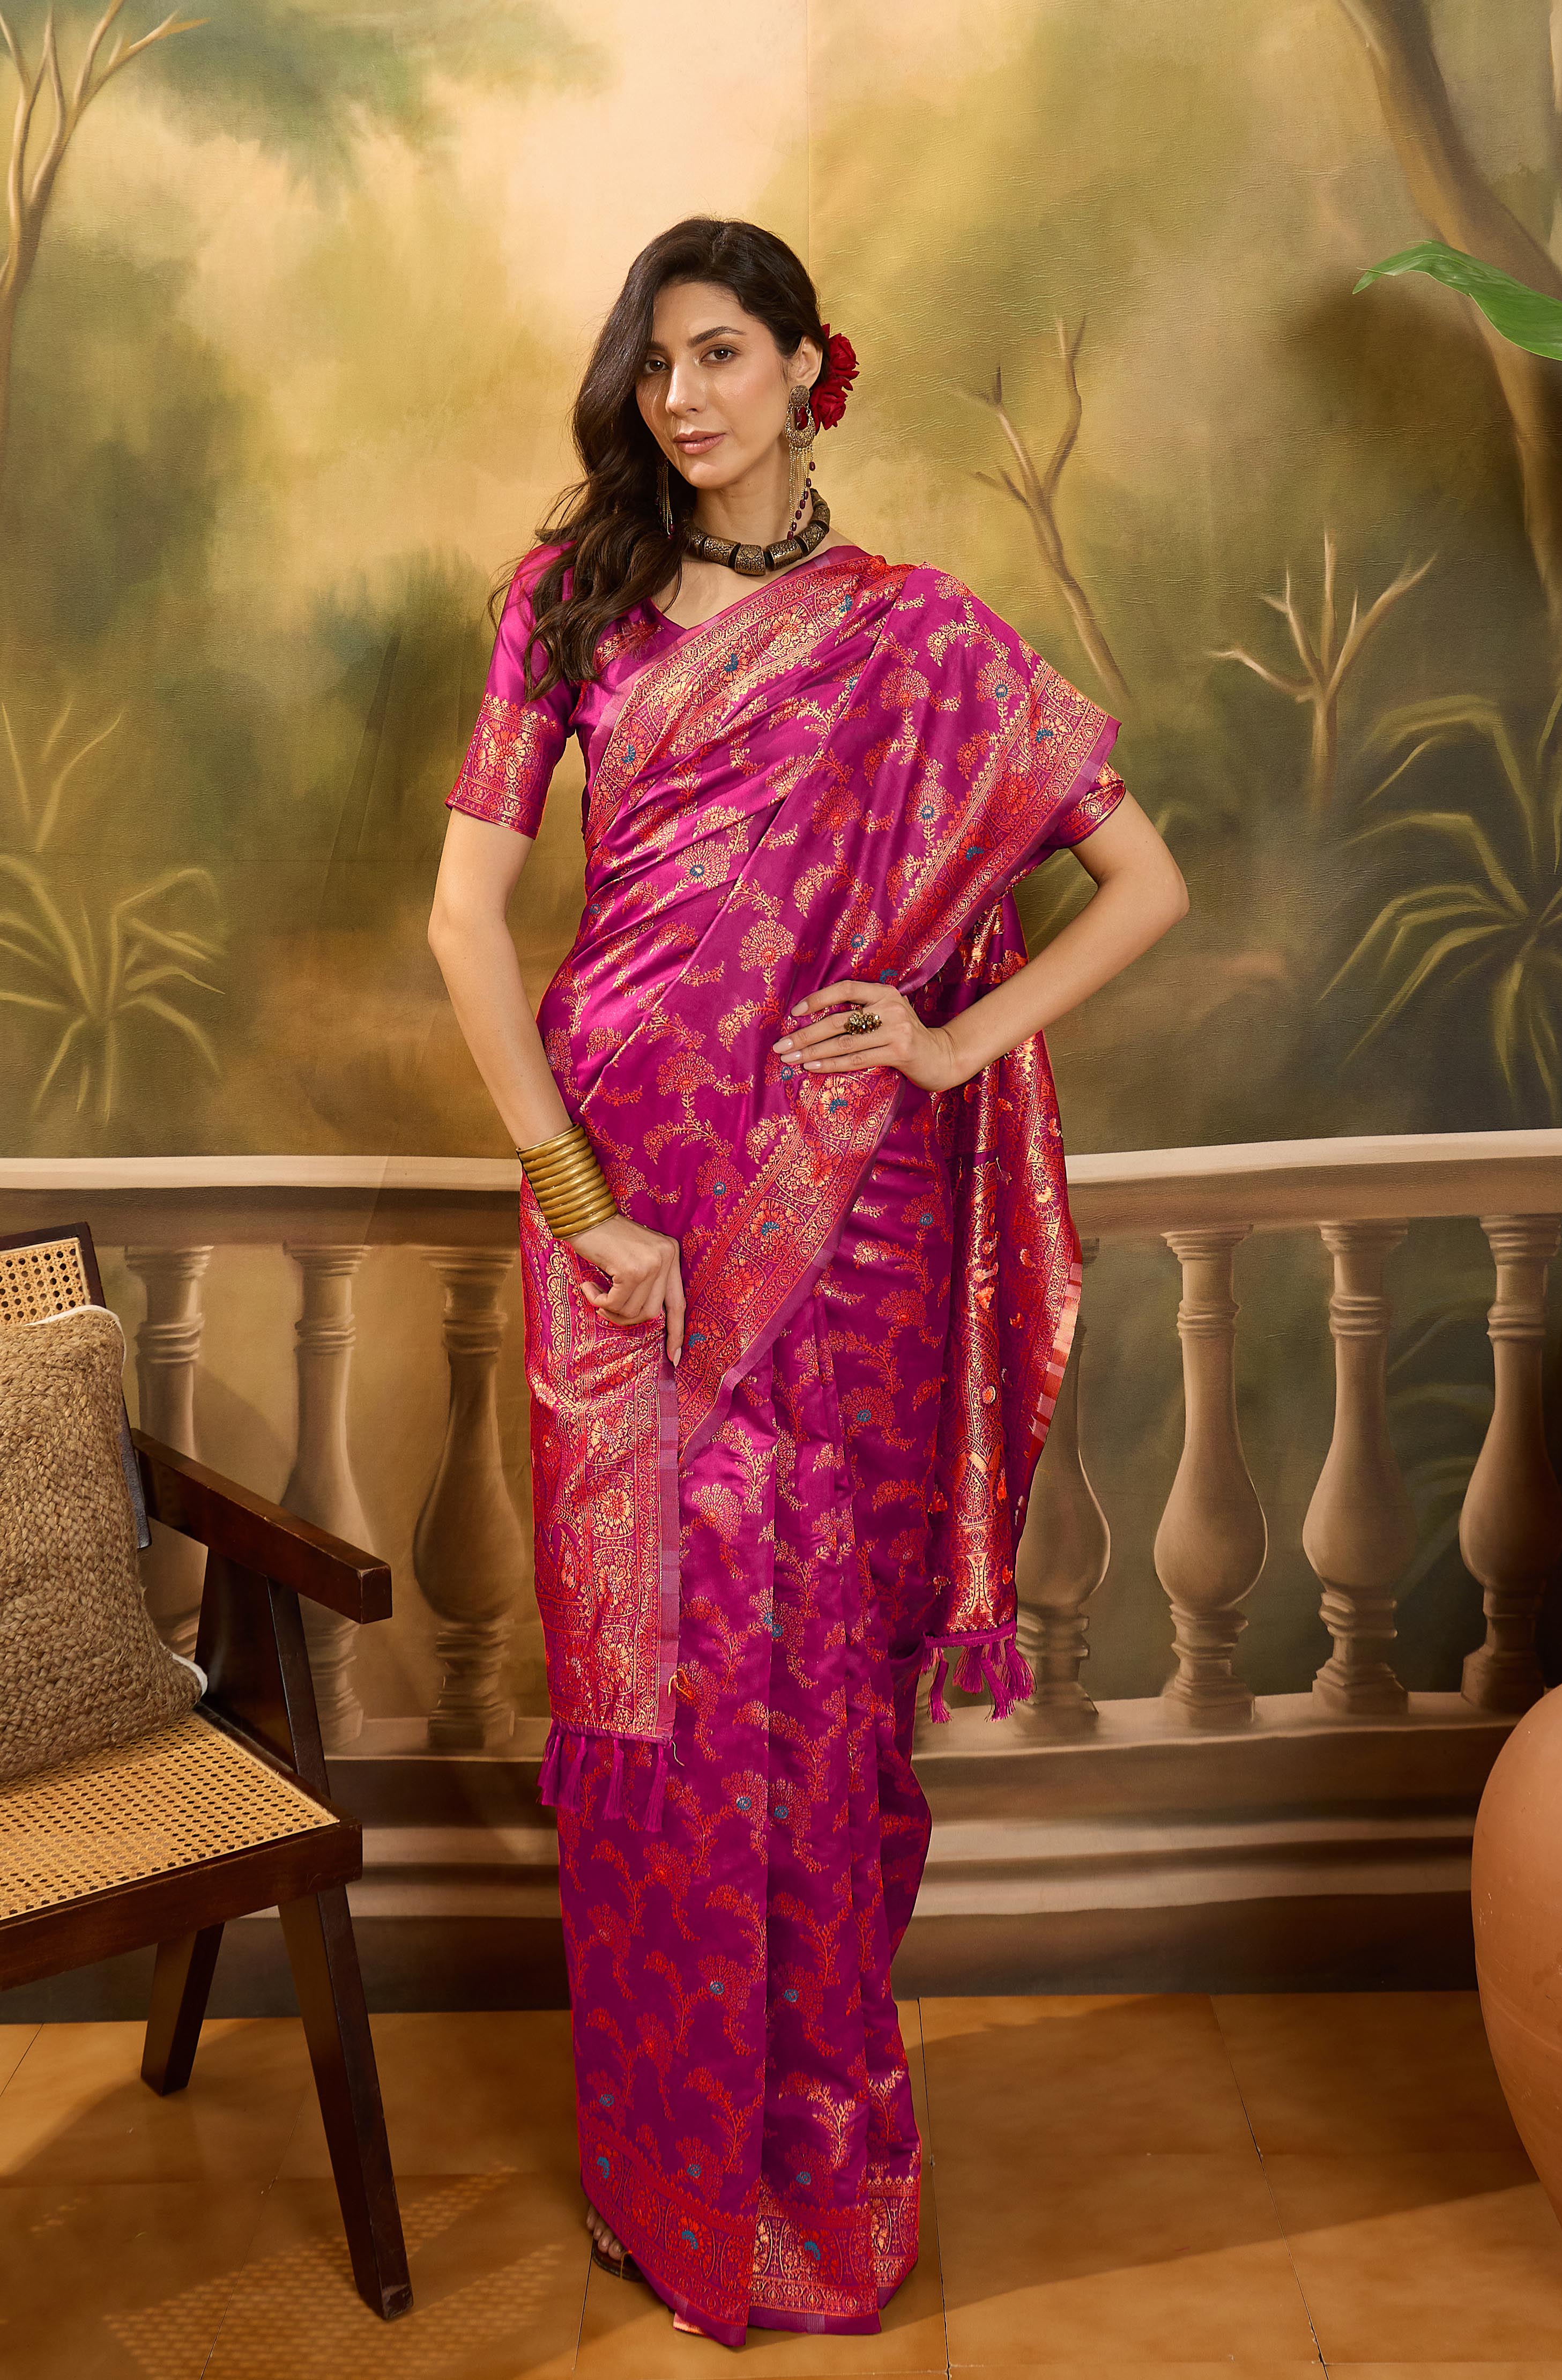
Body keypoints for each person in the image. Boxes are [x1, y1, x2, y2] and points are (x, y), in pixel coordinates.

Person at [428, 216, 1187, 2348]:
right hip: (619, 1232)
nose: (680, 397)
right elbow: (465, 924)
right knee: (650, 1711)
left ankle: (819, 2185)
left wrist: (946, 1041)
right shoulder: (570, 603)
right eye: (655, 362)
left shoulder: (920, 639)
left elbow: (1142, 877)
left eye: (721, 355)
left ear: (806, 370)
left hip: (838, 1229)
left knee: (820, 1708)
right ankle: (667, 2182)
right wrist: (579, 1199)